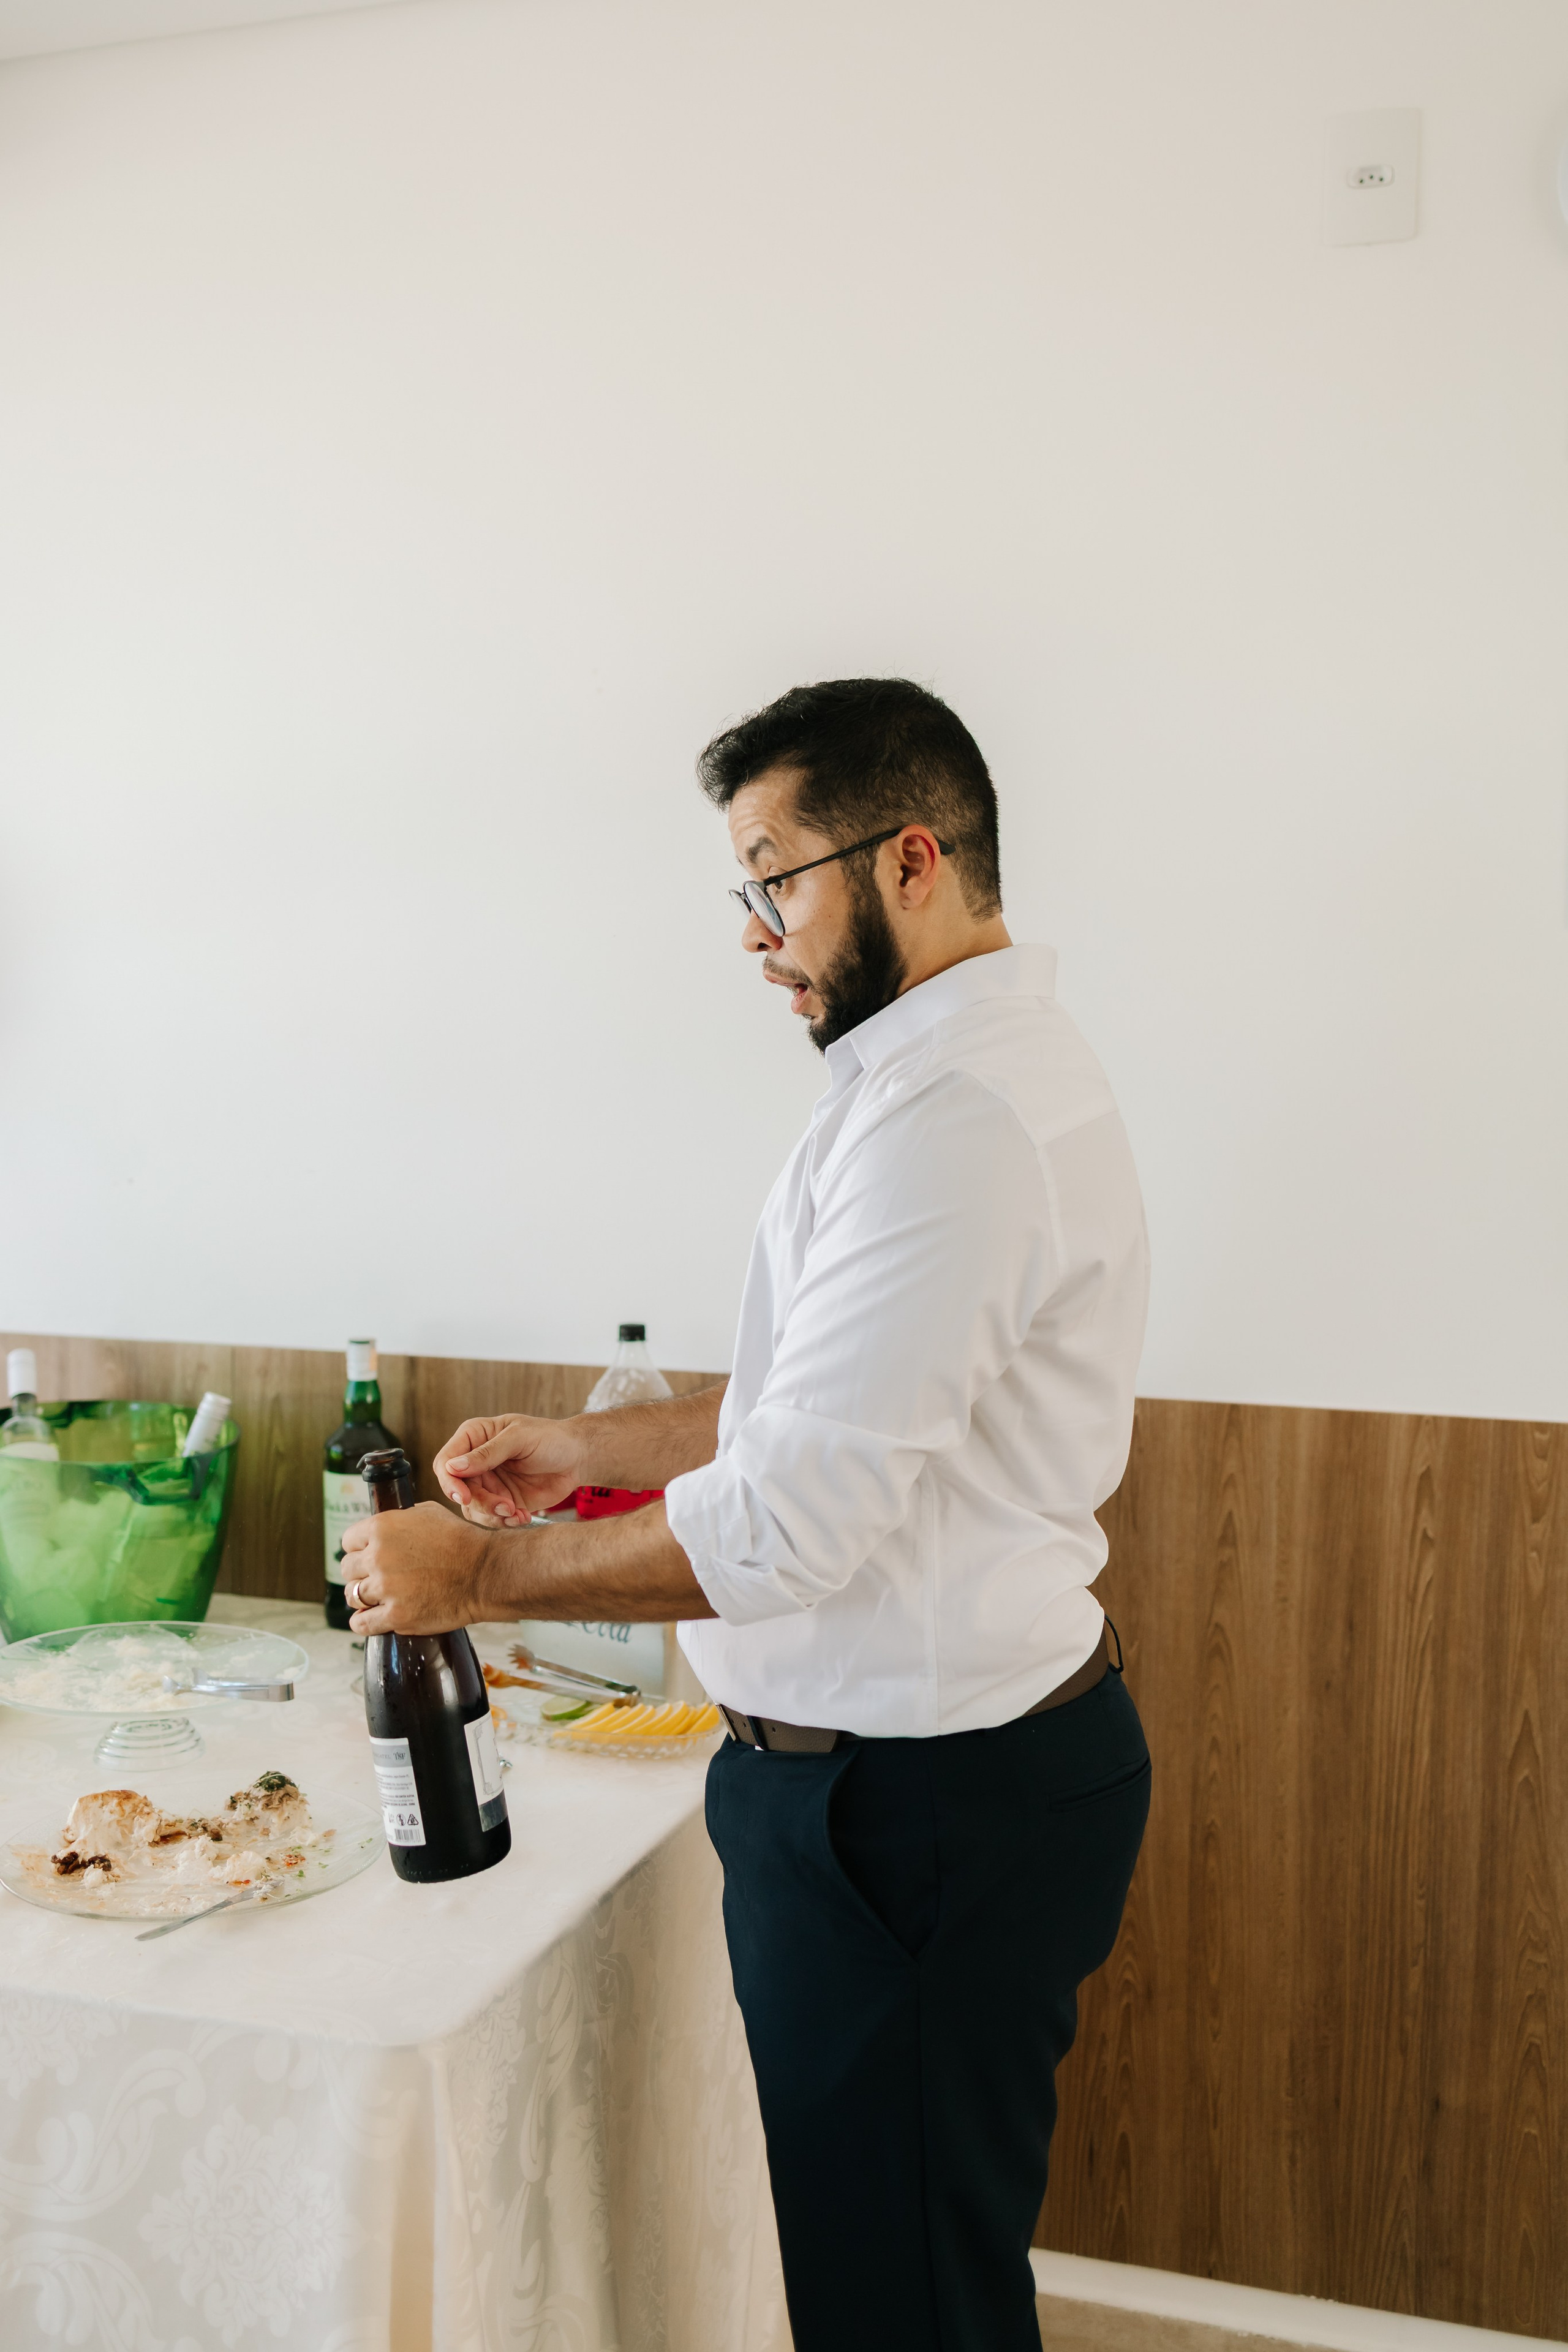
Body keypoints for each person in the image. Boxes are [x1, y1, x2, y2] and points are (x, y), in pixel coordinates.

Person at [341, 676, 1152, 2352]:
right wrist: (591, 1443)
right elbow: (844, 1397)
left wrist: (473, 1574)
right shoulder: (939, 1080)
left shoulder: (959, 1122)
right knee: (893, 2281)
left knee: (901, 2312)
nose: (755, 929)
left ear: (912, 859)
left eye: (779, 878)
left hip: (914, 1811)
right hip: (921, 1788)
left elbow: (794, 1518)